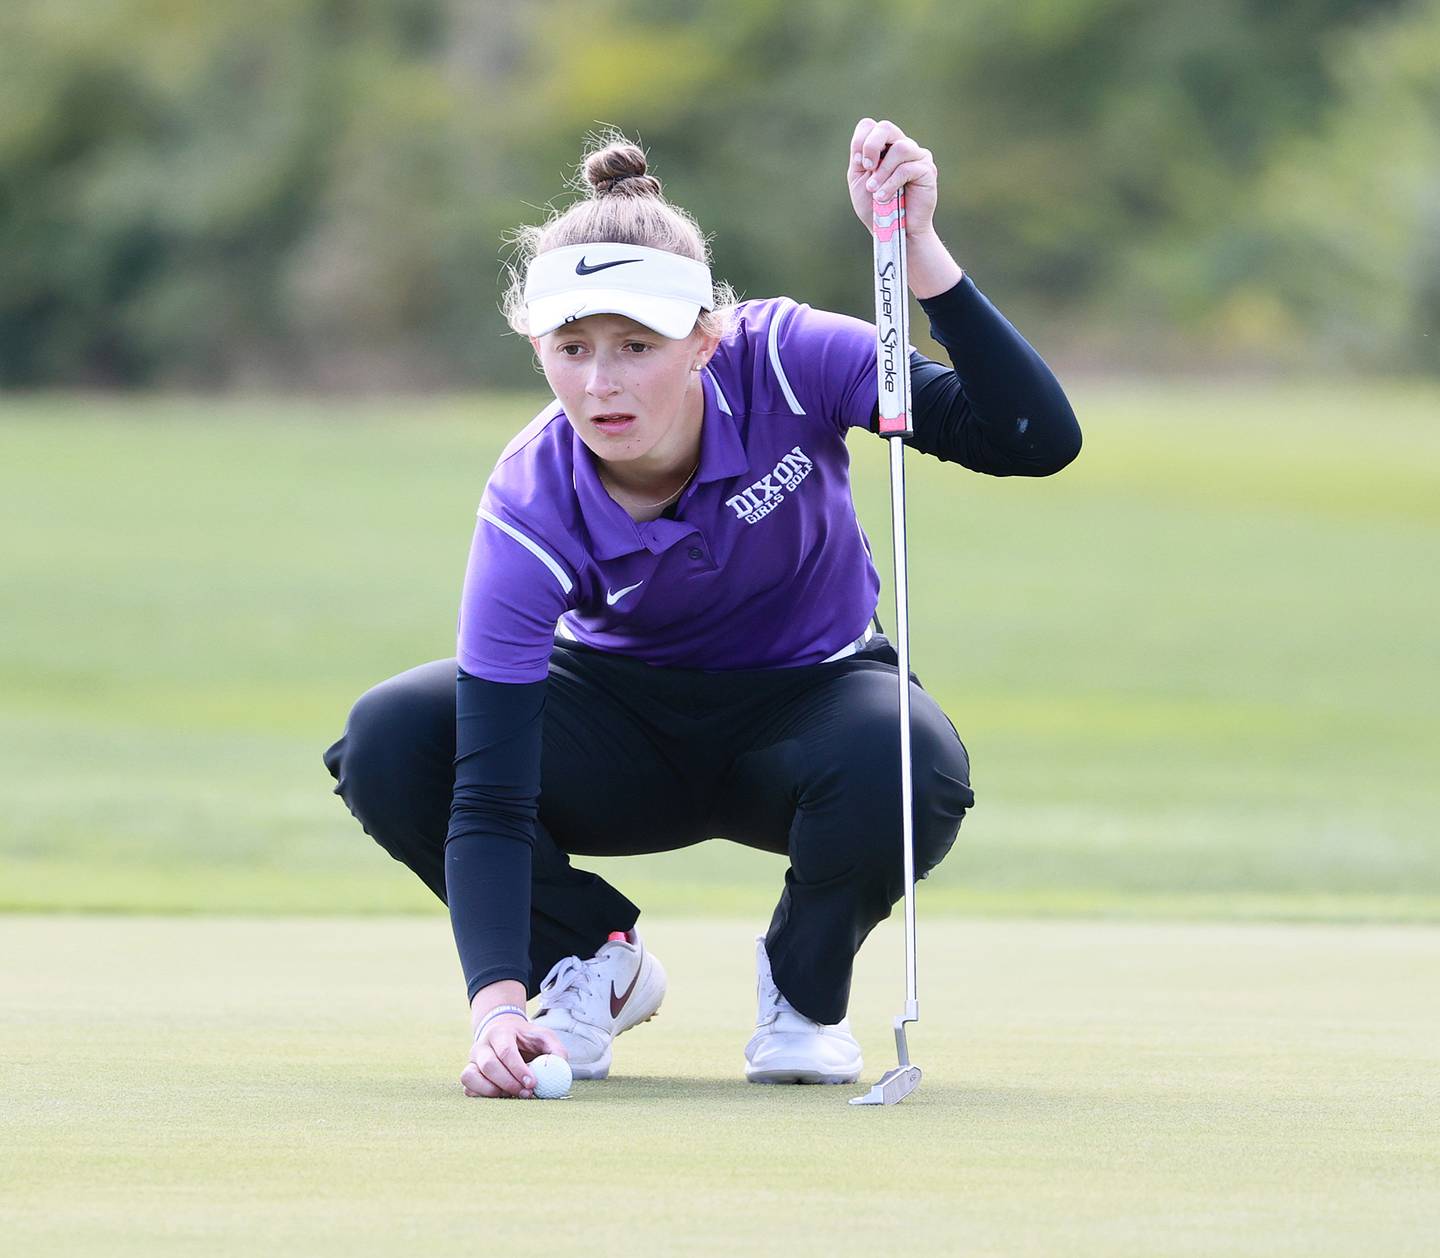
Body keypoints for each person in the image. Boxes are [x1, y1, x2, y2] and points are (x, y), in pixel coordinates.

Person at [323, 119, 1081, 1100]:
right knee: (392, 738)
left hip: (814, 707)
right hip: (619, 722)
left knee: (908, 756)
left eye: (637, 345)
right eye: (573, 346)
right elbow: (492, 793)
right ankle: (589, 961)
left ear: (704, 337)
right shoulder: (528, 498)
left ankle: (803, 992)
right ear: (537, 344)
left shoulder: (784, 357)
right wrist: (496, 1007)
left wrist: (918, 251)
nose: (600, 383)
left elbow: (1031, 437)